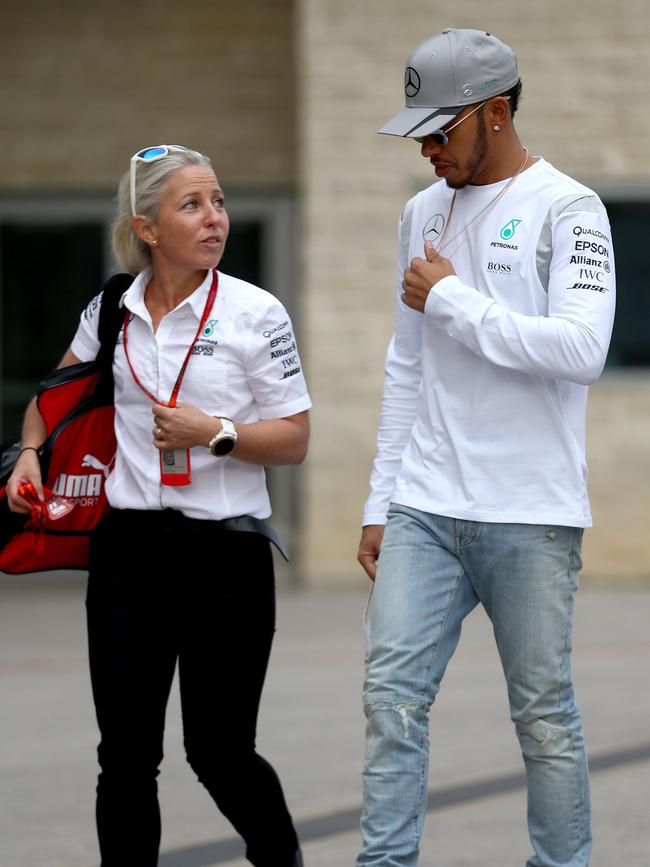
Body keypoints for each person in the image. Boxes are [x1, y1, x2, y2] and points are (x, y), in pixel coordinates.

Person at [6, 144, 309, 867]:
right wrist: (27, 452)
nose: (215, 219)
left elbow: (294, 438)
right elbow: (52, 400)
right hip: (128, 552)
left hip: (226, 554)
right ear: (146, 226)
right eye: (192, 204)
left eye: (220, 202)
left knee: (221, 751)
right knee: (126, 757)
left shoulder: (254, 311)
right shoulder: (113, 306)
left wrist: (219, 433)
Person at [357, 28, 615, 867]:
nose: (429, 150)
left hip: (530, 511)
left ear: (495, 113)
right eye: (420, 134)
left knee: (542, 715)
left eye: (442, 131)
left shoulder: (569, 209)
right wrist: (376, 502)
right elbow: (407, 364)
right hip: (425, 504)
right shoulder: (417, 214)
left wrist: (456, 302)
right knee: (391, 699)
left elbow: (582, 350)